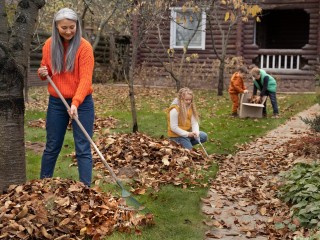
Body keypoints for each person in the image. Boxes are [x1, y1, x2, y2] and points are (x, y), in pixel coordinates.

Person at [38, 8, 95, 186]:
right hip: (57, 102)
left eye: (72, 27)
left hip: (82, 102)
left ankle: (85, 188)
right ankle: (43, 185)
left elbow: (86, 79)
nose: (69, 31)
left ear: (77, 25)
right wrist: (42, 72)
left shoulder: (84, 47)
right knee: (52, 146)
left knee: (83, 147)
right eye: (64, 28)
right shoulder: (49, 45)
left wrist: (76, 102)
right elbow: (44, 70)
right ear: (56, 27)